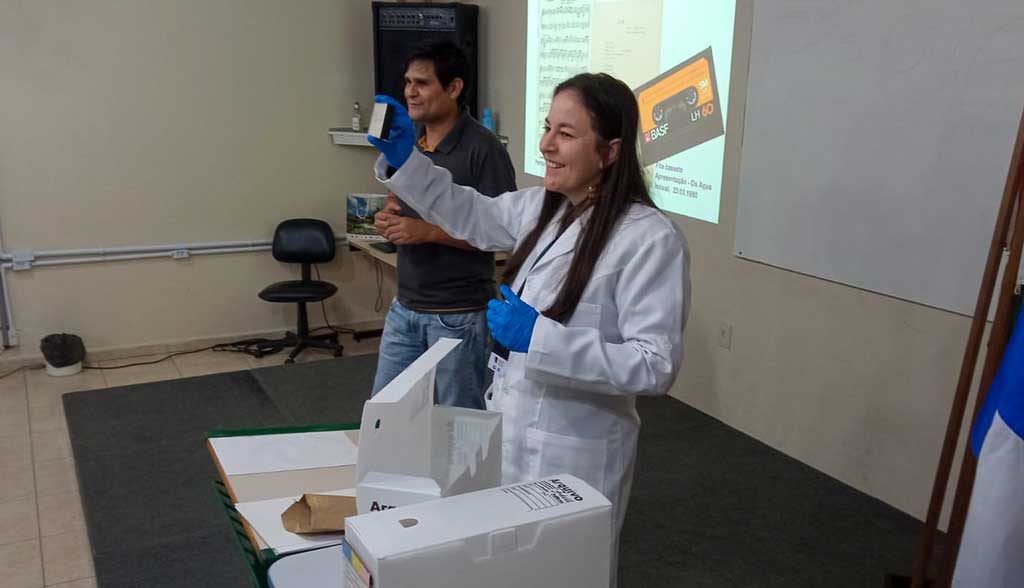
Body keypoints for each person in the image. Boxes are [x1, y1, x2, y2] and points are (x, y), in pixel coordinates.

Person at [368, 72, 690, 584]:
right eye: (547, 127)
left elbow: (655, 366)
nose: (546, 144)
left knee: (566, 572)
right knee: (508, 568)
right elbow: (469, 212)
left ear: (609, 151)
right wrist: (408, 162)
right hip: (512, 431)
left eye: (566, 133)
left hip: (575, 449)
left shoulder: (649, 239)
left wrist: (539, 338)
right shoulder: (543, 207)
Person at [369, 41, 516, 409]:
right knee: (385, 413)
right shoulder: (412, 142)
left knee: (458, 423)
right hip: (406, 305)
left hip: (457, 314)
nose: (410, 92)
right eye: (407, 82)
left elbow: (501, 234)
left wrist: (427, 232)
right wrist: (390, 214)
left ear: (453, 88)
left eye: (422, 83)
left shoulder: (484, 149)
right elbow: (405, 200)